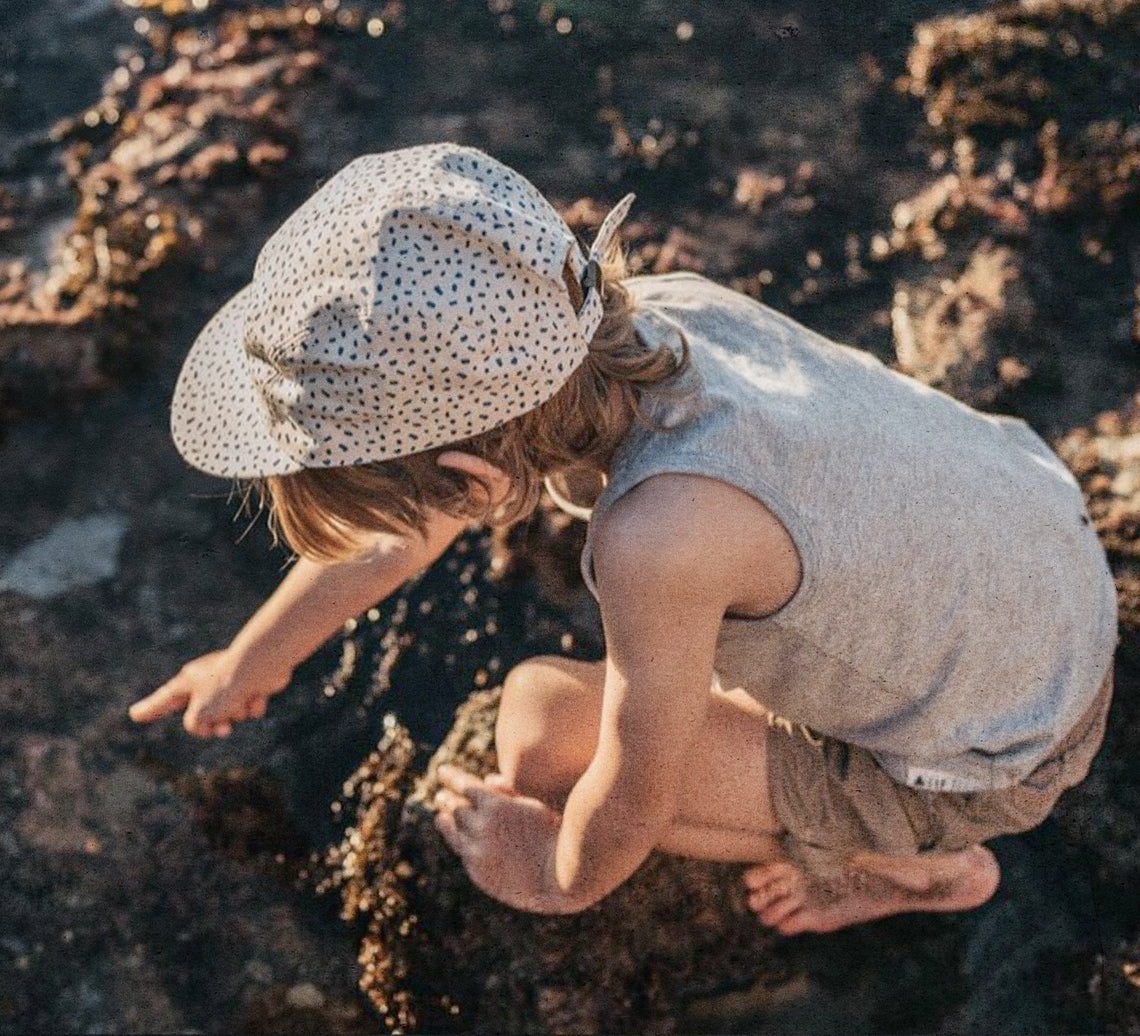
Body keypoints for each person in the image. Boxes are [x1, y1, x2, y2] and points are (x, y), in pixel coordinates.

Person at [129, 143, 1118, 933]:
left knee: (541, 735)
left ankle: (928, 867)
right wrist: (249, 660)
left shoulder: (660, 539)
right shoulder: (655, 314)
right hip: (1051, 582)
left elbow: (632, 797)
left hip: (999, 752)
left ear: (472, 479)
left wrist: (557, 875)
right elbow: (405, 535)